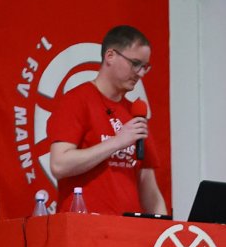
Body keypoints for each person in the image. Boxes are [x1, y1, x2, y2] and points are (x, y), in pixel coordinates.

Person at [47, 24, 166, 216]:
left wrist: (165, 231)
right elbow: (59, 164)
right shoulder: (77, 100)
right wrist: (117, 142)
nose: (141, 73)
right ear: (110, 56)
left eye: (145, 67)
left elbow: (149, 189)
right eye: (135, 63)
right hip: (85, 227)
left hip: (129, 230)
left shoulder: (135, 113)